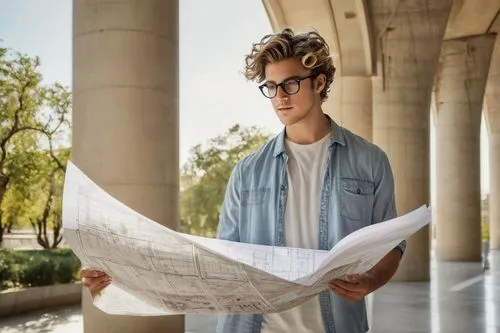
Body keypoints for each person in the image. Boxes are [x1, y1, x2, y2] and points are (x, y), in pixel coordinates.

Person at [81, 28, 406, 333]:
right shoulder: (247, 171)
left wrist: (371, 280)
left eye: (290, 84)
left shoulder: (370, 161)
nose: (280, 97)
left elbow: (392, 242)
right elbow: (221, 264)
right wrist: (122, 277)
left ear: (319, 83)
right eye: (271, 87)